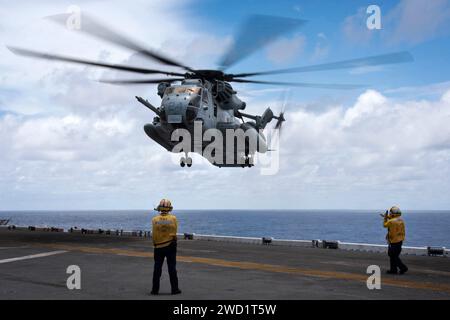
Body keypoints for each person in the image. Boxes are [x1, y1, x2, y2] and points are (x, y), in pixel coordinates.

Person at [151, 198, 181, 295]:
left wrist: (155, 244)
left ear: (159, 208)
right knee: (172, 268)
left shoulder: (154, 219)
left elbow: (154, 234)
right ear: (169, 208)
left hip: (158, 246)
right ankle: (174, 289)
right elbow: (175, 232)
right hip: (171, 245)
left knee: (157, 268)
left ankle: (154, 290)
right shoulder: (173, 218)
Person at [382, 206, 408, 275]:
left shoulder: (390, 221)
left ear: (392, 214)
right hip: (400, 240)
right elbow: (393, 220)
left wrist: (385, 218)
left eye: (391, 213)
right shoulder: (401, 220)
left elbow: (385, 225)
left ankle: (403, 268)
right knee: (393, 255)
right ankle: (393, 270)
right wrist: (387, 217)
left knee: (393, 255)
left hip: (393, 241)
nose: (390, 213)